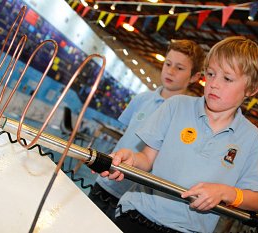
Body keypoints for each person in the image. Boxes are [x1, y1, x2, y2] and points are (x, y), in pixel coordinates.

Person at [101, 36, 258, 233]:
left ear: (251, 88)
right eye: (211, 74)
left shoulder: (251, 138)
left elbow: (257, 199)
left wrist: (227, 192)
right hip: (139, 215)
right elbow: (146, 158)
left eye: (227, 79)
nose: (214, 84)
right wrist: (132, 160)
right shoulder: (177, 106)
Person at [88, 39, 205, 220]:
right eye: (168, 64)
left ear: (195, 77)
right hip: (107, 180)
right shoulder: (142, 99)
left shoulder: (185, 119)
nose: (170, 71)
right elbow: (126, 137)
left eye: (180, 68)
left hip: (134, 199)